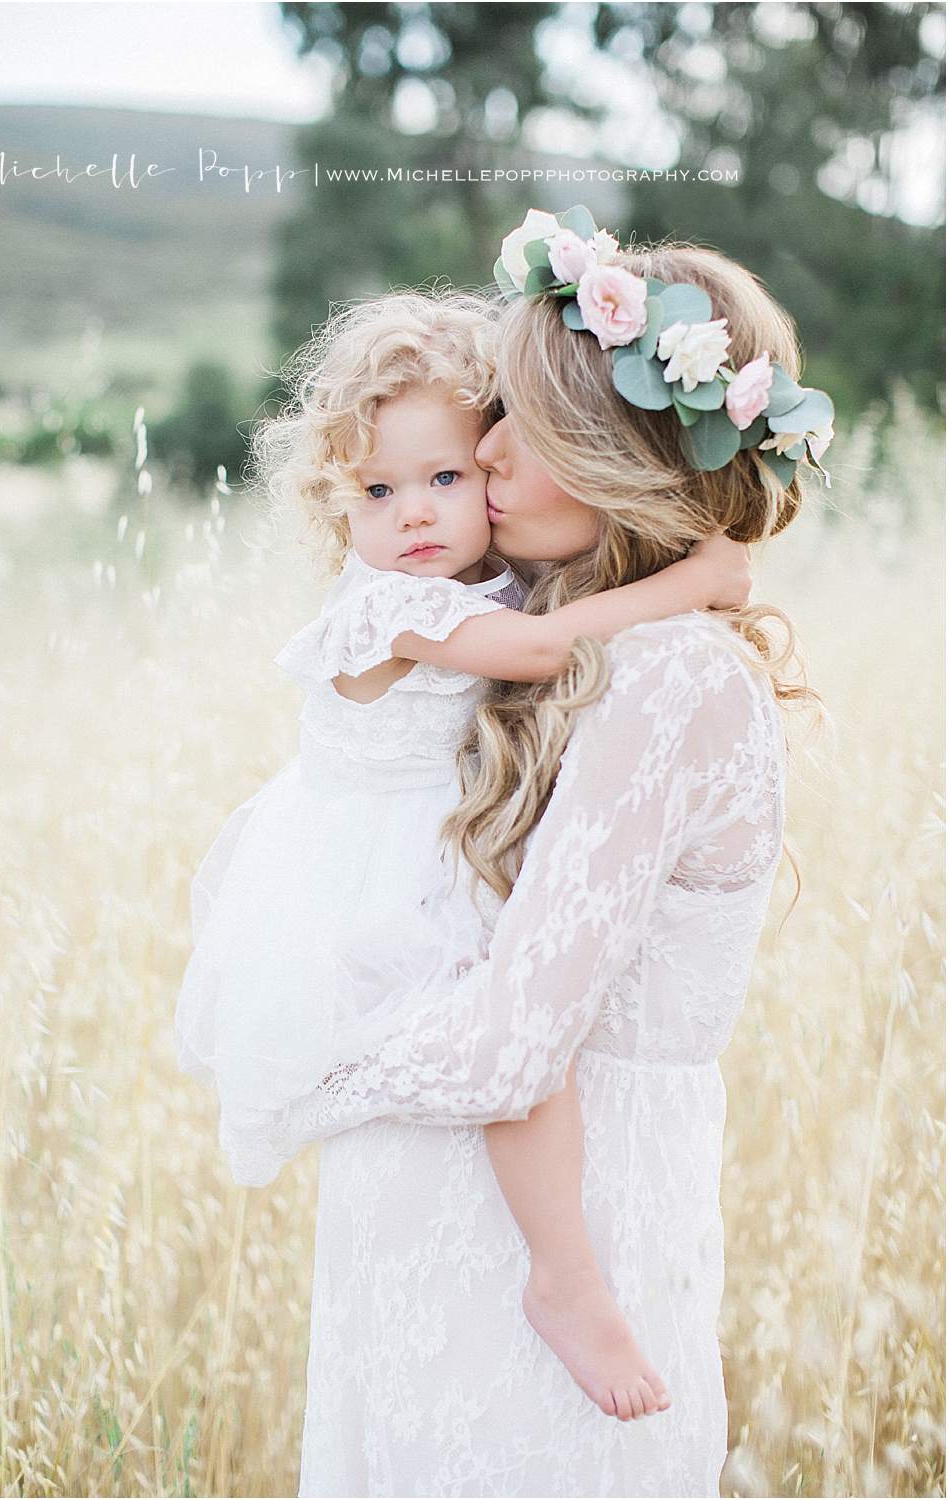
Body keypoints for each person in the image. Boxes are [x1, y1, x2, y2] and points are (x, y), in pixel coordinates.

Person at [266, 214, 825, 1494]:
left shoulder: (671, 676)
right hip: (437, 1240)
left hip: (559, 1269)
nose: (485, 454)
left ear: (622, 453)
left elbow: (512, 1045)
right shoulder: (564, 642)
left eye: (524, 421)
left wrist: (306, 1070)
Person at [175, 288, 750, 1422]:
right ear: (336, 506)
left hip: (424, 845)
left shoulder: (463, 579)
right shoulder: (385, 607)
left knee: (518, 1043)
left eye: (448, 477)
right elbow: (537, 649)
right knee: (512, 1054)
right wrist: (696, 581)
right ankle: (564, 1276)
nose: (418, 514)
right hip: (372, 875)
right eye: (377, 492)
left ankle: (561, 1266)